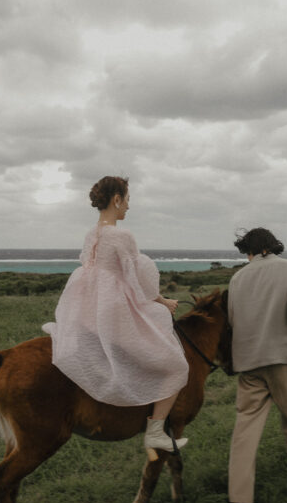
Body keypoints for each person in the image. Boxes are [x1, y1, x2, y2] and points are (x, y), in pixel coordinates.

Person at [42, 176, 190, 457]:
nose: (129, 207)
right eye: (128, 200)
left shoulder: (91, 234)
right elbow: (140, 281)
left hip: (89, 311)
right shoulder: (123, 236)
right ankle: (156, 432)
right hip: (113, 313)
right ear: (117, 199)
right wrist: (163, 301)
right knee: (176, 365)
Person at [226, 227, 287, 503]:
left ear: (252, 250)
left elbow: (232, 320)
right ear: (272, 246)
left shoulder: (237, 278)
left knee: (245, 426)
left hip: (248, 361)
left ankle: (239, 497)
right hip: (285, 358)